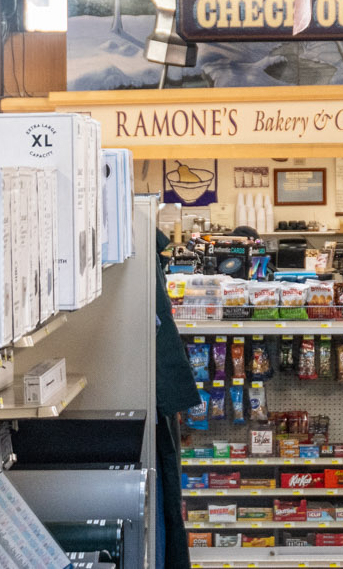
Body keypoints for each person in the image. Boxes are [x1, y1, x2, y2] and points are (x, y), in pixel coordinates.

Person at [154, 228, 201, 569]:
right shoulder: (147, 261)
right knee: (167, 492)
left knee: (169, 493)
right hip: (157, 397)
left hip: (158, 398)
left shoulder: (147, 259)